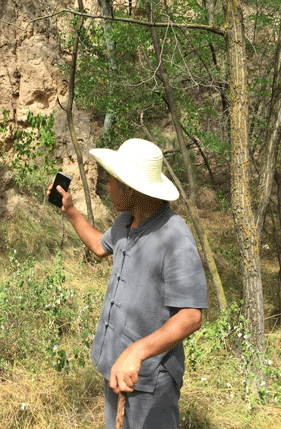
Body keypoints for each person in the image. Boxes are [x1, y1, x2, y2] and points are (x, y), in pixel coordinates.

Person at [48, 138, 208, 429]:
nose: (107, 187)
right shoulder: (125, 222)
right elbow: (99, 246)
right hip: (116, 367)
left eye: (111, 181)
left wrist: (137, 351)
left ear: (130, 188)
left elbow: (191, 316)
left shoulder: (175, 237)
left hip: (150, 379)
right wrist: (70, 211)